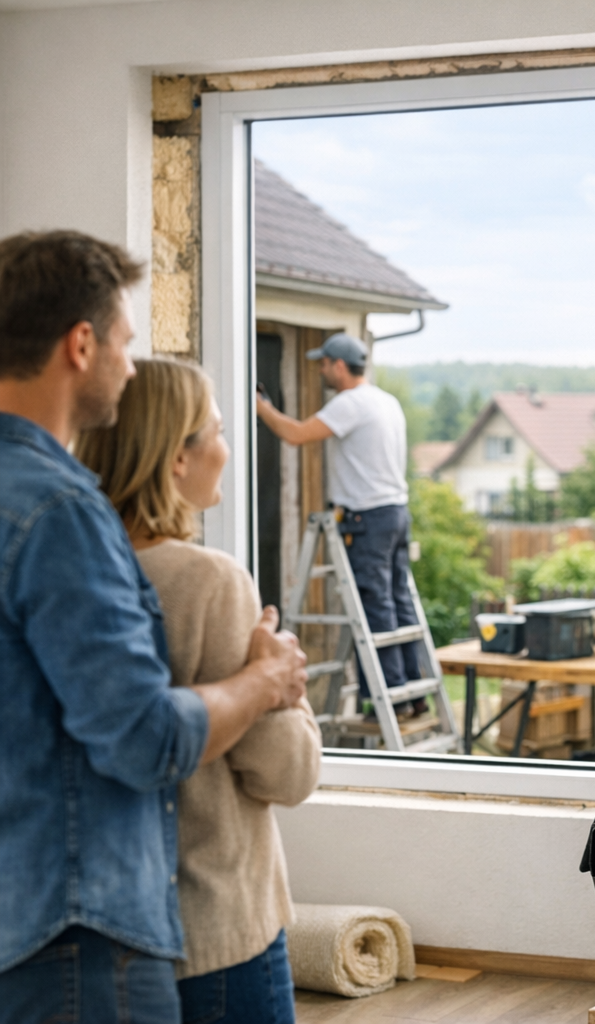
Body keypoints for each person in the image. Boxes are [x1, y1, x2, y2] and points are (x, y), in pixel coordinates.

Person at [0, 231, 307, 1024]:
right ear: (80, 344)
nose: (130, 366)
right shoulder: (59, 512)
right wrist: (267, 681)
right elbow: (142, 739)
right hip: (82, 933)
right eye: (126, 342)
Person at [77, 357, 322, 1024]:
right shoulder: (208, 582)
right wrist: (283, 681)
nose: (226, 448)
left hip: (97, 933)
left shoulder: (69, 573)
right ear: (175, 459)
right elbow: (287, 772)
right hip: (216, 931)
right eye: (215, 430)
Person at [255, 331, 424, 717]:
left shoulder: (351, 403)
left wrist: (261, 408)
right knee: (399, 604)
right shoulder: (387, 401)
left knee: (375, 606)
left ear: (340, 366)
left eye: (324, 364)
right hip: (396, 512)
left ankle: (390, 701)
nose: (321, 371)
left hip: (368, 518)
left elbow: (296, 435)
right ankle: (413, 696)